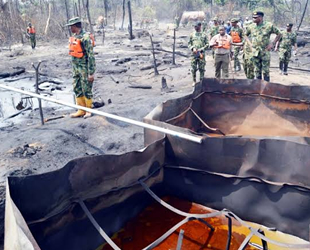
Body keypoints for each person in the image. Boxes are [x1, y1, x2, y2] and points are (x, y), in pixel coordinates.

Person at [66, 17, 96, 118]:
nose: (70, 28)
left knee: (86, 88)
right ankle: (81, 109)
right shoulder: (75, 36)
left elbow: (91, 56)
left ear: (76, 26)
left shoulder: (85, 37)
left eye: (71, 26)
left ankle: (88, 109)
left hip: (84, 68)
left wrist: (91, 73)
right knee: (77, 87)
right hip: (76, 68)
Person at [245, 11, 281, 81]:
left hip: (265, 51)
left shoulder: (269, 26)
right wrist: (250, 44)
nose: (253, 19)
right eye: (253, 17)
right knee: (257, 71)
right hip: (255, 52)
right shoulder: (251, 26)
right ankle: (259, 87)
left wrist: (272, 44)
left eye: (255, 18)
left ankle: (266, 88)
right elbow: (245, 35)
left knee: (265, 71)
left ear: (261, 18)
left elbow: (279, 34)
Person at [188, 22, 209, 86]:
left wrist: (202, 48)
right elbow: (189, 43)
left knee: (201, 68)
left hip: (201, 54)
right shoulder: (192, 35)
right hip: (194, 54)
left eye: (196, 26)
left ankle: (201, 81)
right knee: (193, 68)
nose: (195, 27)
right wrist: (192, 48)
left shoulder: (204, 35)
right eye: (194, 26)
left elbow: (207, 44)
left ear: (200, 26)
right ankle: (194, 81)